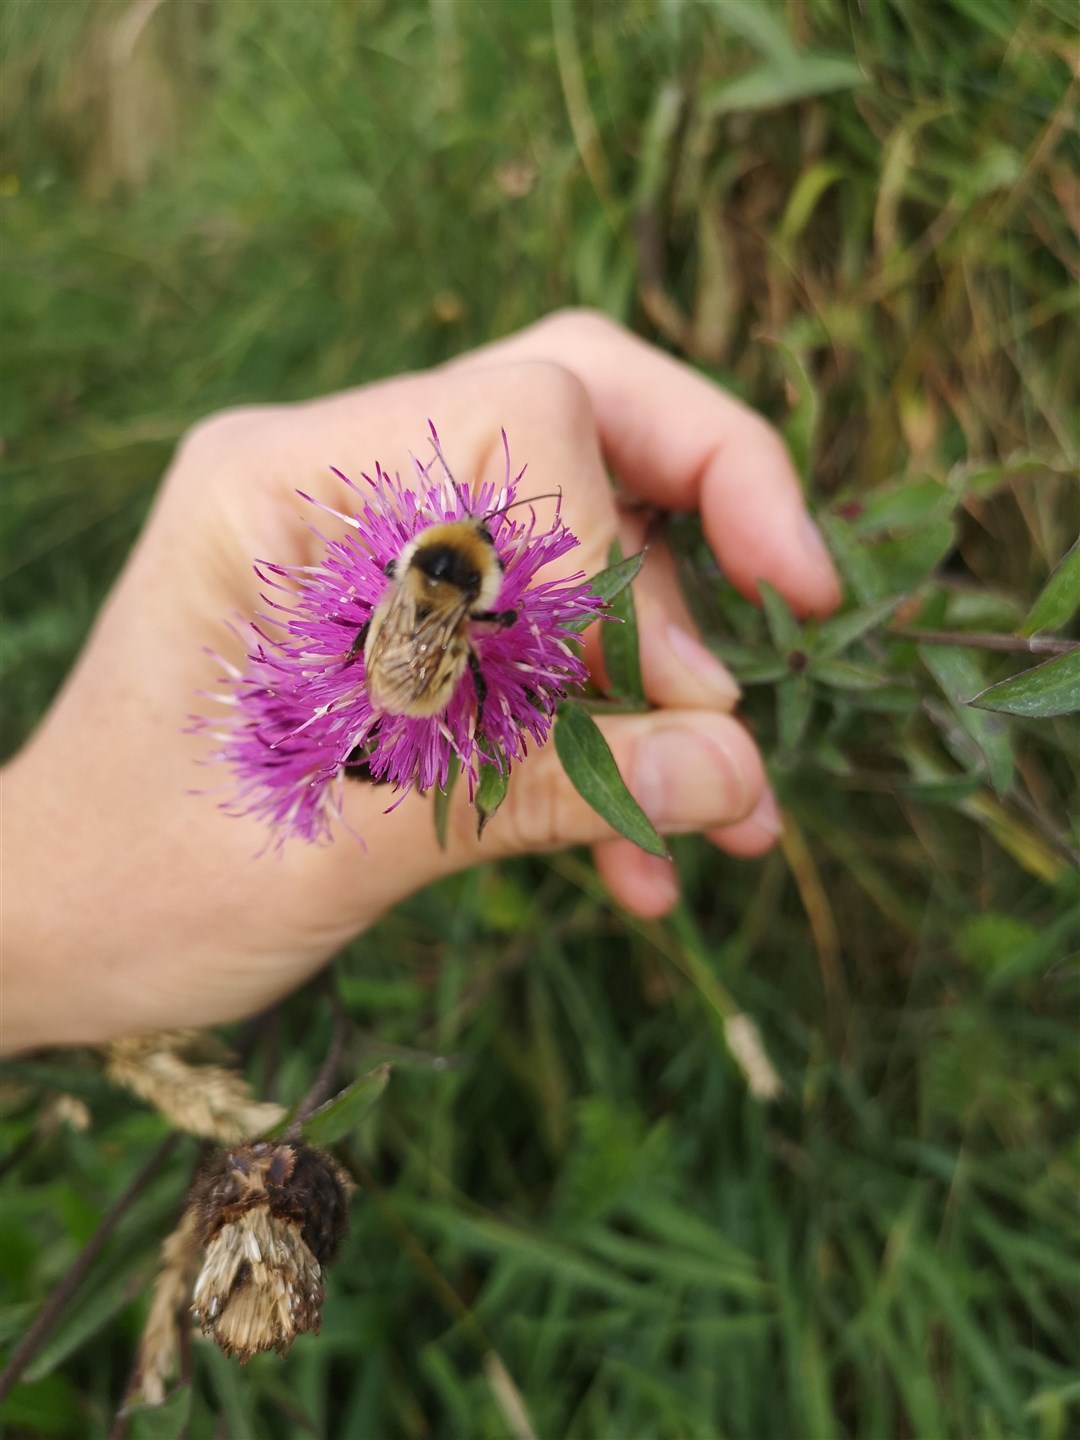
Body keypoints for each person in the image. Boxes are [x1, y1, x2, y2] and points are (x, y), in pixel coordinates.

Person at [0, 311, 841, 1055]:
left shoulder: (411, 586)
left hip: (410, 676)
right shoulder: (470, 613)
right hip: (427, 691)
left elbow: (403, 620)